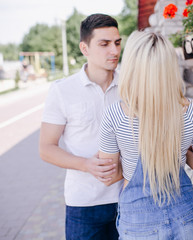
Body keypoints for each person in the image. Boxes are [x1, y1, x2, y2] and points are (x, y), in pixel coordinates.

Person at [99, 30, 193, 239]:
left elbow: (108, 176)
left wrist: (128, 161)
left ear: (131, 67)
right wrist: (183, 154)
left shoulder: (115, 115)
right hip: (184, 217)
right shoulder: (192, 111)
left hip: (138, 222)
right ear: (169, 68)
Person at [39, 14, 123, 240]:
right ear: (84, 48)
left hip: (129, 198)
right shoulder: (62, 90)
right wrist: (86, 164)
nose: (114, 51)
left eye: (117, 42)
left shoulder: (132, 84)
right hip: (83, 204)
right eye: (104, 44)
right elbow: (46, 148)